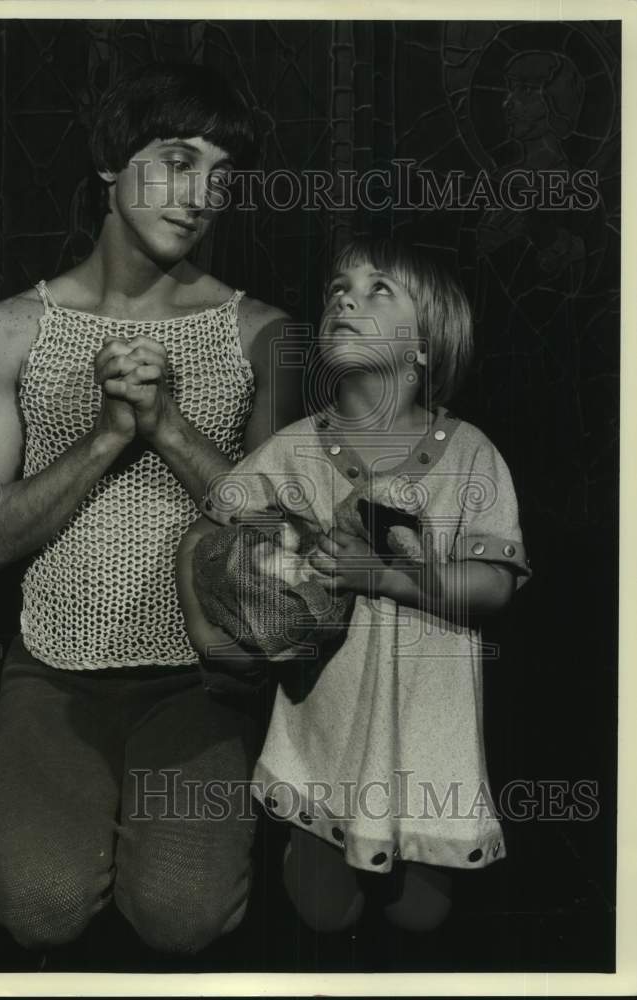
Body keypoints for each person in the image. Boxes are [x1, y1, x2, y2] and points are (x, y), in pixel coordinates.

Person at [0, 61, 301, 956]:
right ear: (111, 163)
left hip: (203, 679)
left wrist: (168, 426)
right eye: (177, 162)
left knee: (183, 919)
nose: (201, 196)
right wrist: (108, 434)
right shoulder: (9, 330)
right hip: (52, 671)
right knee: (37, 906)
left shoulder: (264, 335)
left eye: (221, 176)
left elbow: (279, 539)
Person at [178, 236, 531, 935]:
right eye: (337, 288)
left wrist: (386, 577)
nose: (345, 299)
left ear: (424, 345)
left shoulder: (471, 455)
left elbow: (496, 585)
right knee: (323, 914)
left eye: (378, 290)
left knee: (421, 916)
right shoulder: (294, 448)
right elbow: (206, 532)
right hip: (326, 709)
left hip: (428, 721)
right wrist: (212, 627)